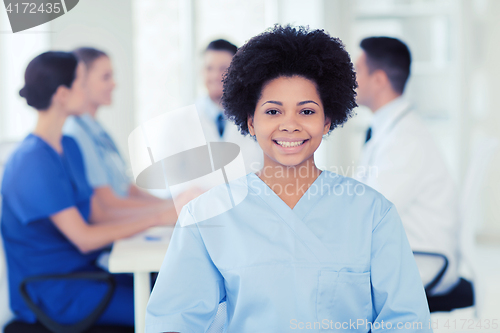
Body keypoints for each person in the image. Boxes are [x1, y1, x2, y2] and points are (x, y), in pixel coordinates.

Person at [146, 26, 432, 332]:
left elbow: (406, 322)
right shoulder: (205, 216)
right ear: (251, 122)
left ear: (327, 121)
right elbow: (174, 320)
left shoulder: (373, 214)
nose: (290, 125)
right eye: (273, 112)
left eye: (306, 111)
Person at [1, 51, 174, 326]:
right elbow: (84, 237)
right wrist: (158, 218)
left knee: (175, 291)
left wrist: (169, 212)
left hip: (88, 274)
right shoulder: (31, 161)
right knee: (170, 315)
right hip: (57, 291)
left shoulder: (69, 146)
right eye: (81, 84)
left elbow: (99, 214)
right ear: (61, 94)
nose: (87, 91)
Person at [353, 36, 460, 296]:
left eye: (356, 72)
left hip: (422, 260)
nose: (350, 81)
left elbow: (370, 212)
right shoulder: (390, 129)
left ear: (378, 80)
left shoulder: (405, 139)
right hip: (401, 252)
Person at [63, 47, 182, 219]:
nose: (114, 84)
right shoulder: (76, 133)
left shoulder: (98, 130)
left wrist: (174, 204)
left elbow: (127, 189)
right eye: (106, 77)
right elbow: (107, 202)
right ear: (82, 81)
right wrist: (168, 211)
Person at [195, 39, 263, 174]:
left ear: (237, 72)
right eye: (209, 68)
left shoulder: (256, 117)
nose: (215, 75)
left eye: (223, 69)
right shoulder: (183, 119)